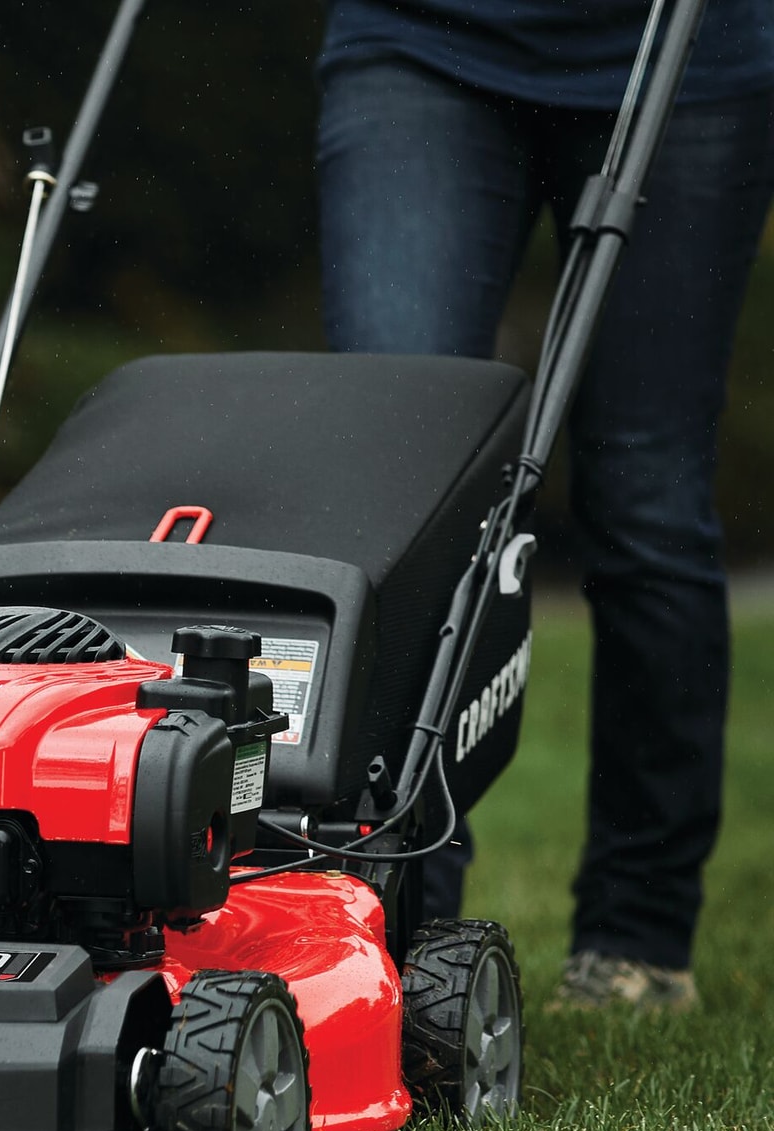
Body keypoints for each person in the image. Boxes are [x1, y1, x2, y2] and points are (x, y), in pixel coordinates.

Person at [316, 0, 774, 1010]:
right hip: (421, 38)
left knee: (645, 490)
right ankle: (397, 910)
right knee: (397, 481)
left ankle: (638, 937)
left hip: (679, 49)